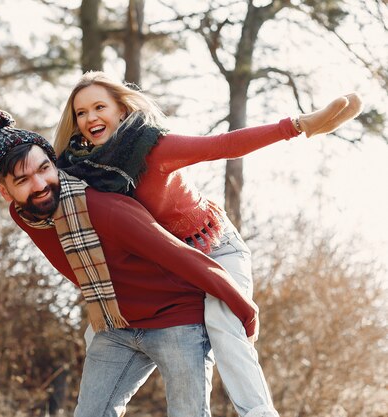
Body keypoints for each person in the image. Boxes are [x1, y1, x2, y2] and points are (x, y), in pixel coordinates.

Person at [50, 71, 363, 417]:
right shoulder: (78, 168)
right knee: (98, 335)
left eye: (99, 107)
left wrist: (297, 126)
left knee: (222, 322)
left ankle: (259, 413)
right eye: (81, 113)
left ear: (122, 110)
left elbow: (223, 145)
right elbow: (22, 164)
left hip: (216, 247)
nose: (91, 117)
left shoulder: (154, 147)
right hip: (174, 268)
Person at [0, 110, 263, 417]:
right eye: (22, 180)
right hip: (115, 324)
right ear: (5, 191)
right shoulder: (25, 214)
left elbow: (183, 258)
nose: (39, 184)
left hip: (176, 320)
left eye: (44, 169)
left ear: (54, 163)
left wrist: (243, 309)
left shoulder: (105, 210)